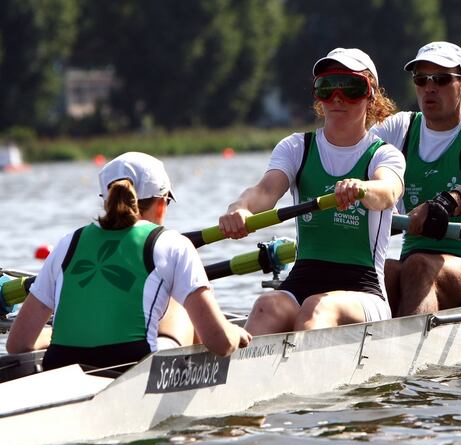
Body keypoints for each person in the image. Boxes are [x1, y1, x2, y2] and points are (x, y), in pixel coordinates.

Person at [6, 152, 251, 372]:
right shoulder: (173, 244)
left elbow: (17, 344)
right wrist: (234, 332)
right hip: (132, 372)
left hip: (62, 366)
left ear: (107, 200)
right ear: (161, 202)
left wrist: (51, 335)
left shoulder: (67, 243)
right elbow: (220, 344)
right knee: (180, 301)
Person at [218, 48, 404, 334]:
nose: (337, 99)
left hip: (364, 290)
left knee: (318, 307)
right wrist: (239, 208)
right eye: (327, 88)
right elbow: (265, 191)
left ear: (371, 95)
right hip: (302, 280)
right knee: (266, 305)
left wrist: (363, 189)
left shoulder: (384, 155)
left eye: (350, 88)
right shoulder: (296, 148)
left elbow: (388, 191)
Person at [372, 41, 461, 315]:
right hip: (414, 266)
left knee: (420, 264)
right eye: (421, 79)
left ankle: (407, 351)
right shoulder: (398, 128)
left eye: (442, 79)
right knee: (383, 271)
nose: (429, 87)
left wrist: (445, 204)